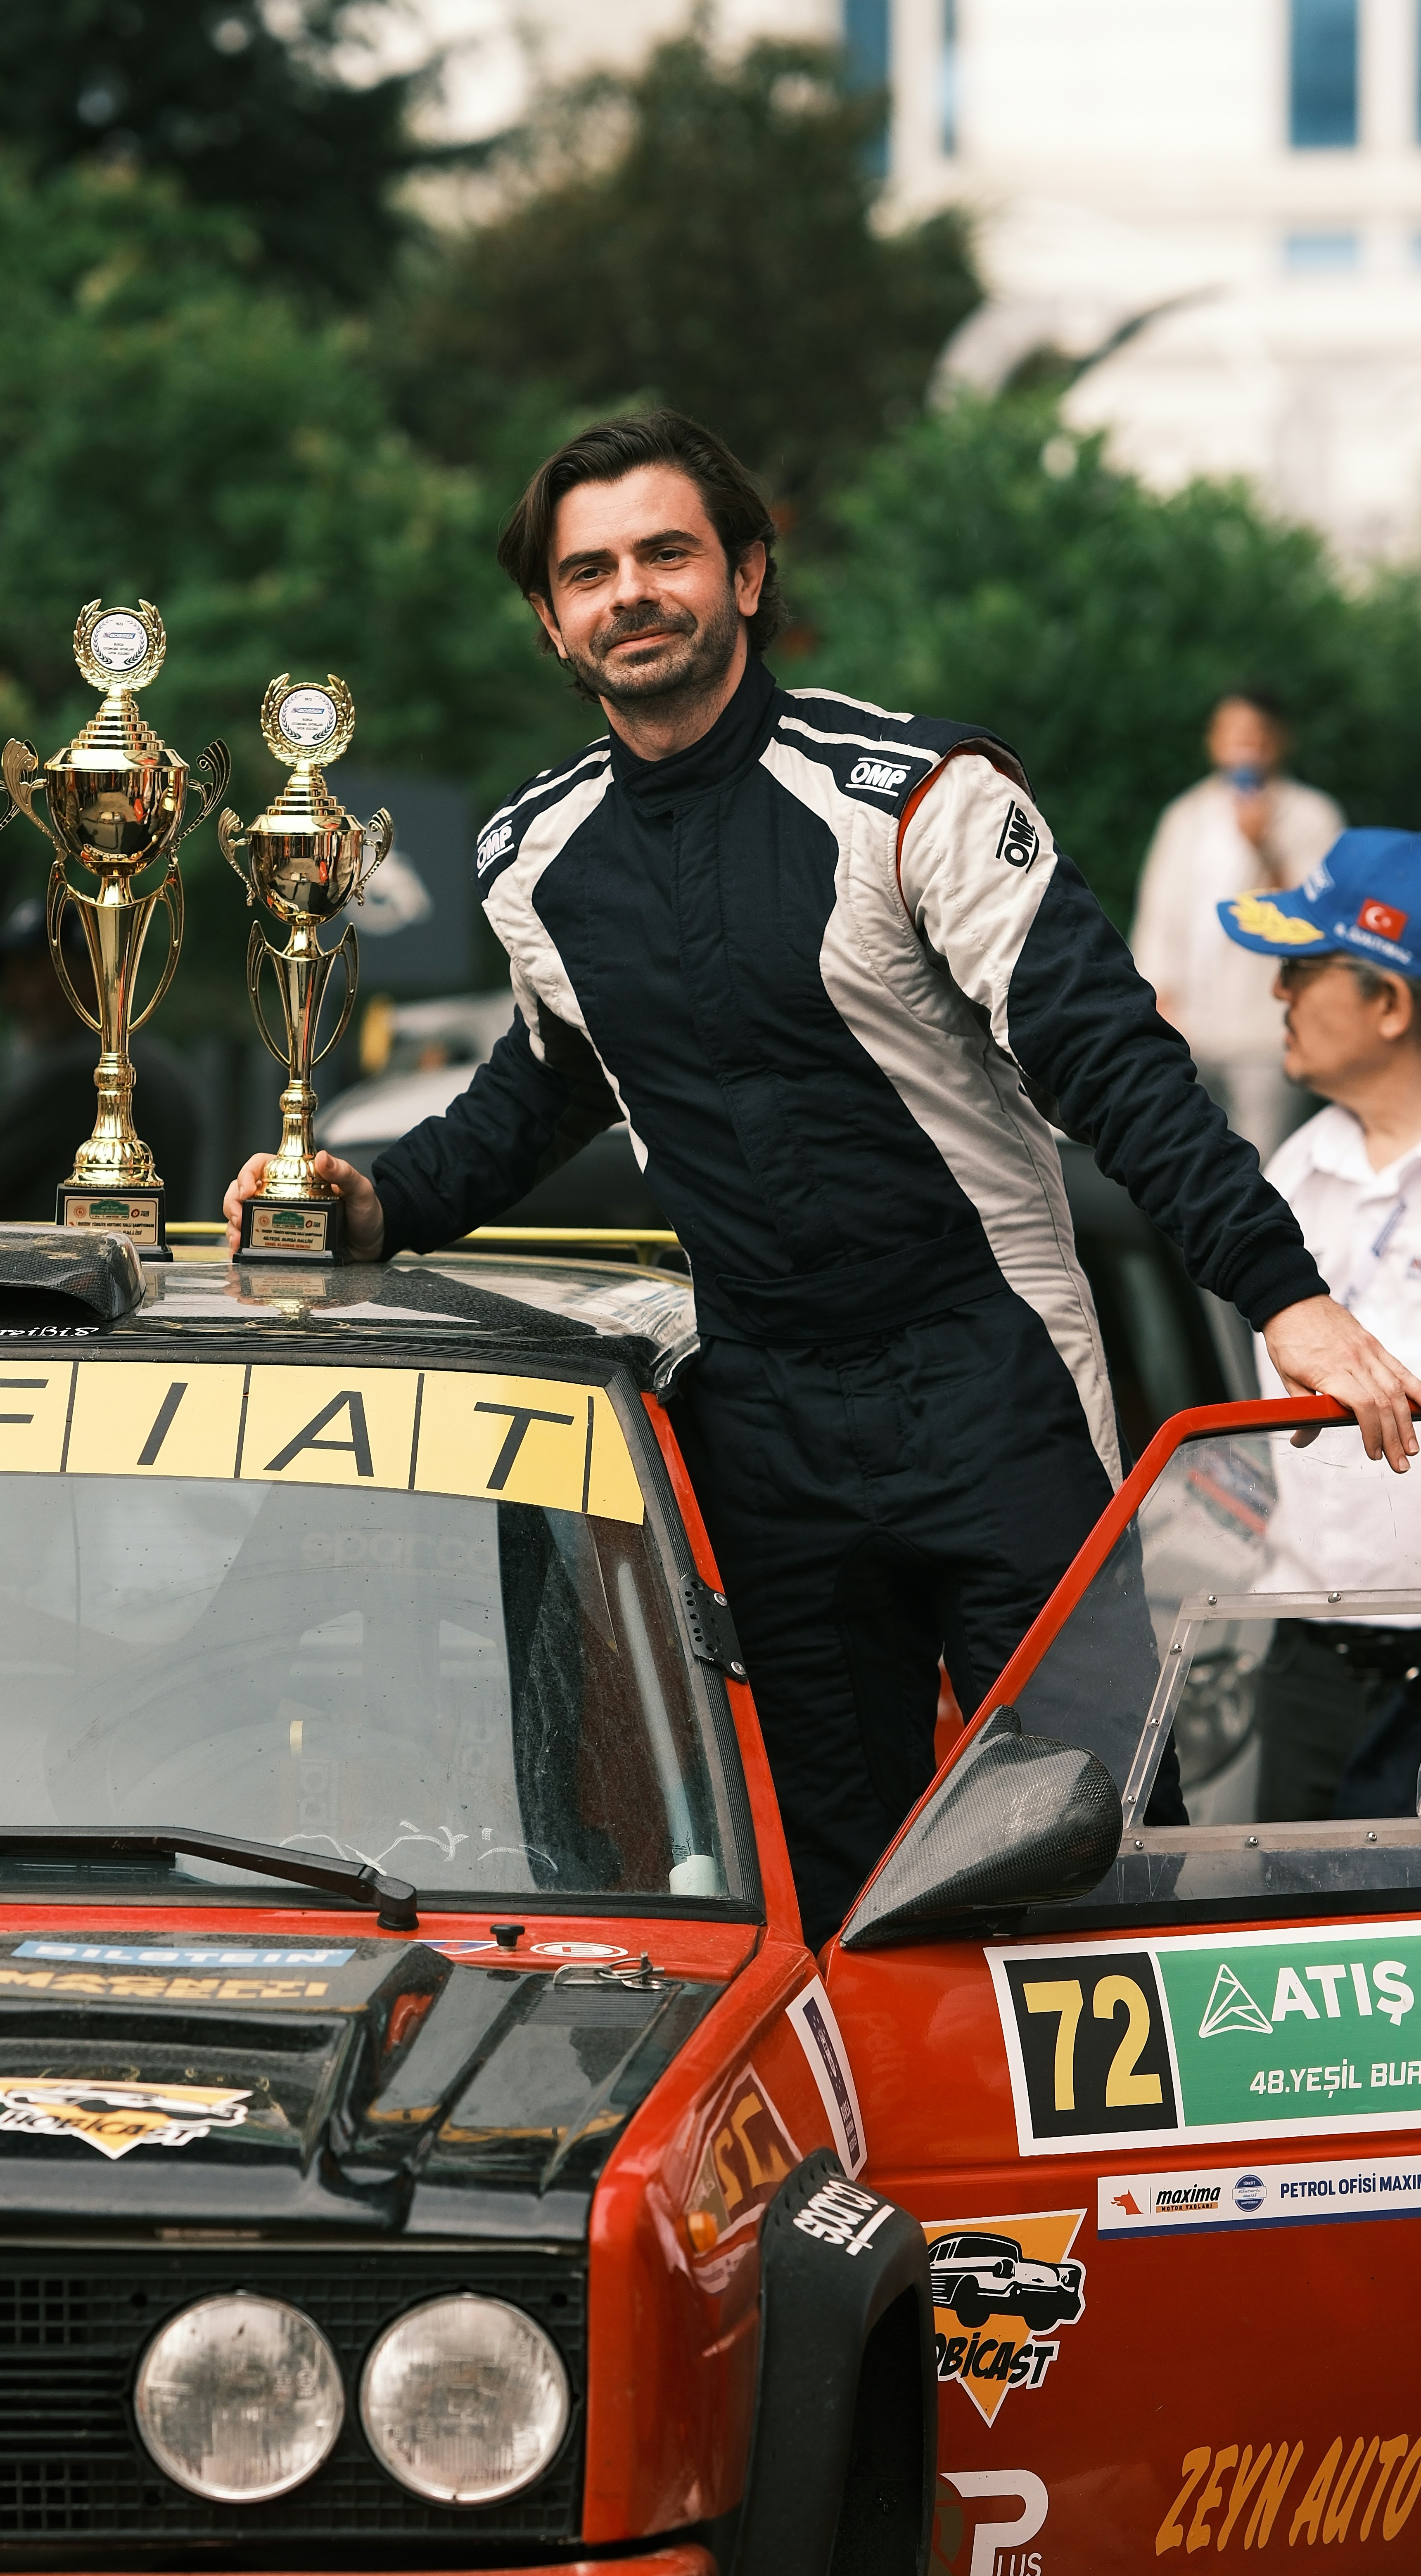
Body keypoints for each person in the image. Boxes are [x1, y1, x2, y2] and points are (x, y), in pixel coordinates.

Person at [225, 409, 1421, 1945]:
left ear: (747, 572)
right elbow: (548, 1085)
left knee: (1086, 1853)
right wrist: (371, 1204)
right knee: (827, 1881)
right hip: (765, 1415)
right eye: (589, 572)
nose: (630, 593)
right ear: (551, 618)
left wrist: (1287, 1295)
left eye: (667, 553)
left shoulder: (917, 794)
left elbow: (1111, 1059)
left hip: (994, 1384)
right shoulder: (534, 854)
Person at [1218, 831, 1421, 1821]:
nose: (1278, 993)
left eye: (1301, 968)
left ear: (1389, 1002)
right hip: (1305, 1655)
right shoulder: (1292, 1171)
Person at [1131, 689, 1343, 1160]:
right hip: (1186, 1028)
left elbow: (1313, 923)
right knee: (1189, 1162)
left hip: (1265, 1034)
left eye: (1254, 733)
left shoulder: (1312, 816)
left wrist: (1263, 843)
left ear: (1278, 741)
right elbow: (1157, 914)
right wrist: (1156, 995)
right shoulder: (1185, 815)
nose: (1242, 744)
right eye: (1230, 732)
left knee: (1263, 1164)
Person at [0, 898, 201, 1223]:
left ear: (91, 974)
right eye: (8, 976)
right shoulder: (163, 1066)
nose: (10, 996)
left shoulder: (80, 1077)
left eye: (31, 971)